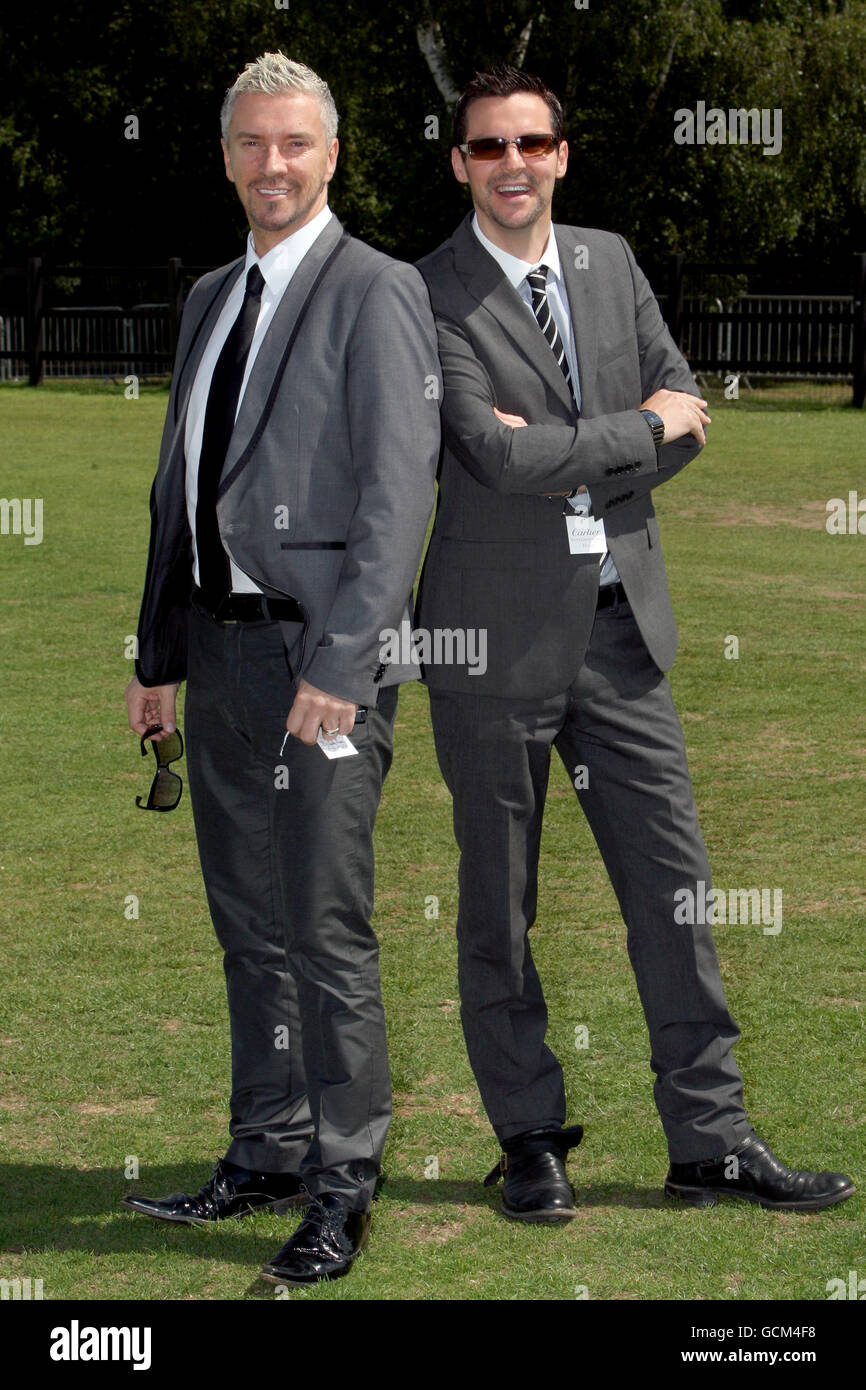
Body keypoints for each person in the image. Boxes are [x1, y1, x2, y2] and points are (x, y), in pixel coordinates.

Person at [416, 65, 854, 1223]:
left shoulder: (609, 262)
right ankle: (526, 1140)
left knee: (675, 889)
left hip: (620, 636)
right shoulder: (427, 293)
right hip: (489, 646)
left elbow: (686, 416)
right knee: (495, 906)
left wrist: (587, 437)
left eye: (532, 143)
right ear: (459, 162)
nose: (513, 164)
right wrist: (627, 434)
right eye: (488, 147)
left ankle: (707, 1141)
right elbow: (486, 454)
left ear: (562, 152)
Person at [122, 52, 440, 1284]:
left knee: (323, 928)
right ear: (224, 156)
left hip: (321, 668)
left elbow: (394, 496)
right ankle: (265, 1148)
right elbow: (176, 490)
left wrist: (342, 666)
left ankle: (343, 1180)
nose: (272, 164)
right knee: (247, 925)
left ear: (333, 154)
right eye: (251, 144)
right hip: (217, 655)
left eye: (294, 143)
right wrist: (158, 655)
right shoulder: (210, 294)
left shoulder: (376, 290)